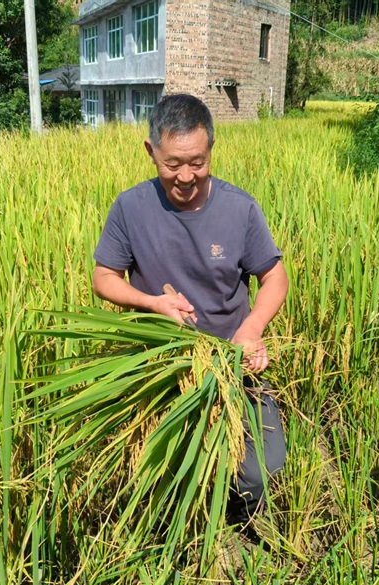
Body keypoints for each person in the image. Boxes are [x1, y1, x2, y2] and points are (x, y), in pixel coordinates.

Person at [91, 94, 288, 526]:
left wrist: (252, 329)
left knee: (262, 470)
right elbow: (103, 279)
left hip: (231, 359)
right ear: (150, 152)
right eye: (172, 164)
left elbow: (275, 277)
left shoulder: (239, 209)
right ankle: (176, 527)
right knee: (157, 472)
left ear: (211, 149)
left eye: (197, 162)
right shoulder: (130, 208)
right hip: (159, 363)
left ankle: (237, 524)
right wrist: (151, 303)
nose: (185, 176)